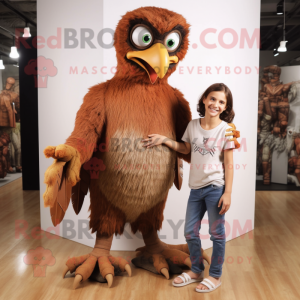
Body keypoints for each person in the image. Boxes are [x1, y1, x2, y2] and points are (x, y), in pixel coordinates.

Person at [141, 83, 237, 293]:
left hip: (215, 189)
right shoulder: (193, 125)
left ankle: (215, 275)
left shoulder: (226, 130)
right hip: (196, 190)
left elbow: (229, 163)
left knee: (216, 234)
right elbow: (186, 148)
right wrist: (165, 140)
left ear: (226, 107)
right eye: (213, 99)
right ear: (204, 99)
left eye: (222, 102)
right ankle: (196, 270)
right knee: (190, 232)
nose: (216, 104)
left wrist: (227, 193)